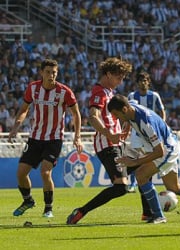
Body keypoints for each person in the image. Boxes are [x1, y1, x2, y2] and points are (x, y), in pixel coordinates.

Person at [108, 94, 180, 224]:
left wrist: (135, 162)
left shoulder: (146, 123)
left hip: (167, 149)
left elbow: (159, 152)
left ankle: (158, 215)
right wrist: (127, 127)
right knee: (174, 187)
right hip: (170, 144)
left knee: (141, 175)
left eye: (116, 114)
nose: (116, 118)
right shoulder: (131, 107)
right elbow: (128, 107)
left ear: (124, 110)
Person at [8, 59, 83, 218]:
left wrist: (77, 137)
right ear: (41, 72)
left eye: (54, 72)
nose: (51, 75)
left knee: (45, 172)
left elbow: (76, 114)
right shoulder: (33, 88)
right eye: (48, 72)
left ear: (57, 73)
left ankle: (48, 208)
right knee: (21, 173)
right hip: (35, 137)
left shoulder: (65, 92)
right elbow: (24, 109)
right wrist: (16, 126)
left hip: (54, 138)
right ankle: (28, 201)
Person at [66, 57, 133, 224]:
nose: (120, 81)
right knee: (121, 187)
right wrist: (109, 134)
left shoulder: (110, 93)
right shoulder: (99, 92)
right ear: (108, 74)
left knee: (145, 167)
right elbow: (93, 117)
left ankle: (150, 213)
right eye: (119, 77)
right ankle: (81, 211)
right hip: (107, 145)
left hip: (116, 144)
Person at [127, 71, 166, 222]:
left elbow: (162, 111)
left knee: (148, 161)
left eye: (145, 80)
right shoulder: (132, 96)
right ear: (137, 83)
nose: (143, 82)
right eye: (140, 80)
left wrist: (161, 125)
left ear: (148, 82)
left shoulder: (154, 96)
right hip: (137, 133)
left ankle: (141, 184)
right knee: (135, 155)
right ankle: (132, 183)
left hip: (150, 134)